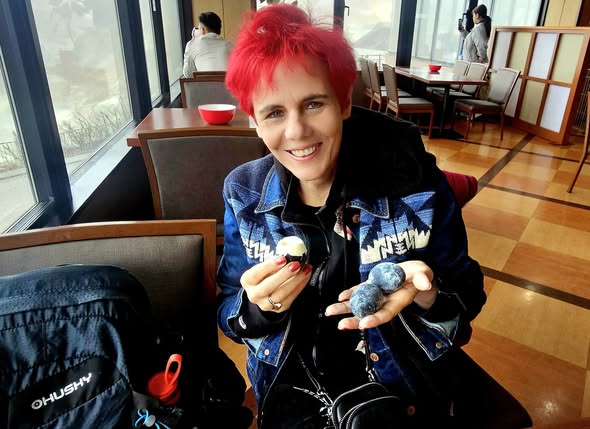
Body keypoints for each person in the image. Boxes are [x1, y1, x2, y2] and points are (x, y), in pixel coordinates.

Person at [217, 4, 486, 428]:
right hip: (290, 395)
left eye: (313, 104)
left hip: (403, 394)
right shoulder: (243, 194)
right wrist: (257, 309)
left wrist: (427, 294)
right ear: (254, 120)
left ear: (343, 103)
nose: (297, 132)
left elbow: (467, 302)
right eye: (274, 112)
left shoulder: (413, 184)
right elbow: (230, 313)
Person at [182, 11, 233, 78]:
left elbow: (188, 74)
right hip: (227, 84)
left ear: (202, 30)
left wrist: (192, 42)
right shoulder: (230, 45)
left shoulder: (192, 45)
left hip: (203, 84)